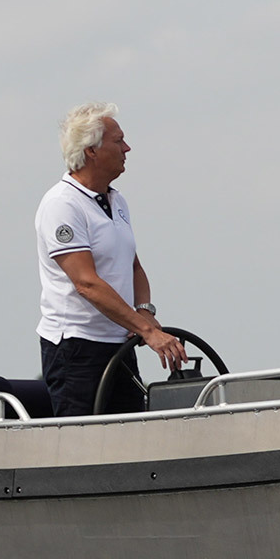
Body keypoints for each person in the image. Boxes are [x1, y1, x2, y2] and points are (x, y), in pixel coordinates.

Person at [35, 102, 187, 416]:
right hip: (76, 348)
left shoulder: (116, 201)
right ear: (91, 150)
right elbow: (86, 283)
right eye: (118, 141)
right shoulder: (62, 205)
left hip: (119, 342)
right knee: (82, 445)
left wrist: (143, 312)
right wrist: (147, 332)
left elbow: (133, 266)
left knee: (131, 436)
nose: (127, 148)